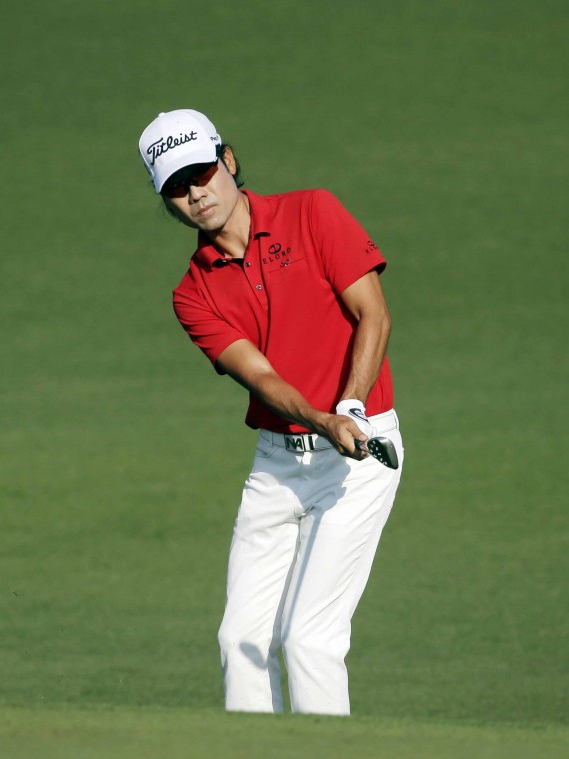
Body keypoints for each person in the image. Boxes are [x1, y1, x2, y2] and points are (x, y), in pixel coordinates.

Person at [137, 109, 404, 716]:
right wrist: (320, 419)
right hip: (279, 465)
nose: (196, 193)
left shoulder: (312, 212)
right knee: (242, 639)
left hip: (360, 457)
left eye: (202, 172)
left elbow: (374, 314)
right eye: (177, 186)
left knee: (309, 639)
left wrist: (350, 410)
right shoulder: (193, 293)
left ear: (228, 160)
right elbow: (258, 375)